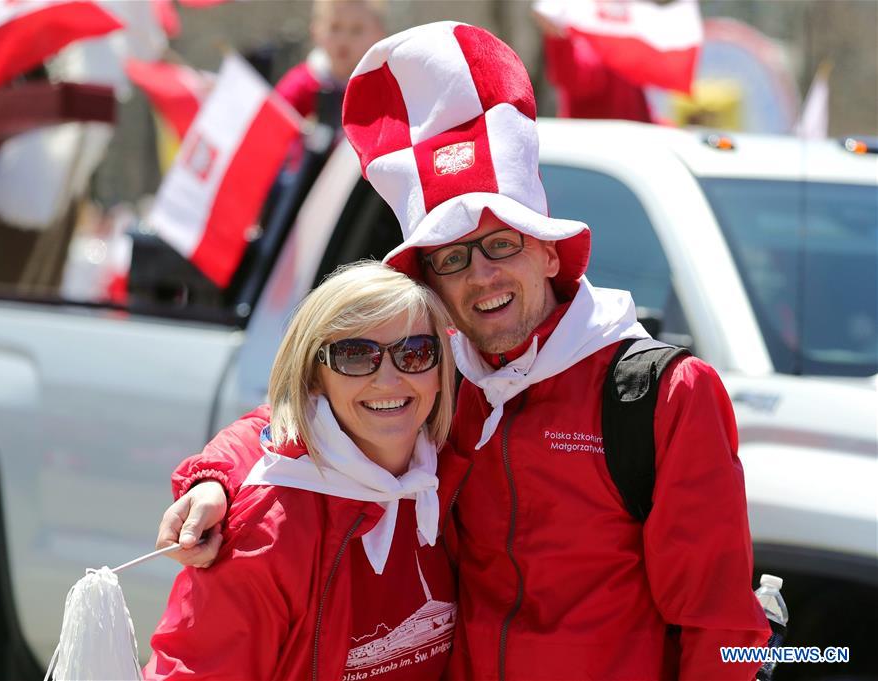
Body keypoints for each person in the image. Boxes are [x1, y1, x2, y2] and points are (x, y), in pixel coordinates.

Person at [156, 22, 770, 680]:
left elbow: (723, 627)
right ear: (431, 282)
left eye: (501, 243)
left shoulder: (661, 397)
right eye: (452, 257)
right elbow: (310, 420)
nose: (481, 275)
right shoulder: (436, 377)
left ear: (547, 249)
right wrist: (215, 478)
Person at [145, 261, 458, 680]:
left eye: (415, 352)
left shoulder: (456, 473)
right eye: (355, 356)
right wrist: (215, 478)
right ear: (314, 376)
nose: (389, 379)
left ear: (442, 368)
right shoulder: (266, 533)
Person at [275, 0, 386, 126]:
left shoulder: (381, 89)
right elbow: (272, 127)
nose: (344, 39)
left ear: (379, 34)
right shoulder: (300, 84)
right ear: (315, 30)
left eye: (357, 30)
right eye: (335, 27)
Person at [534, 6, 653, 122]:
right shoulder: (582, 18)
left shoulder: (630, 19)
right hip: (592, 134)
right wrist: (557, 36)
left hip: (632, 131)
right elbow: (577, 80)